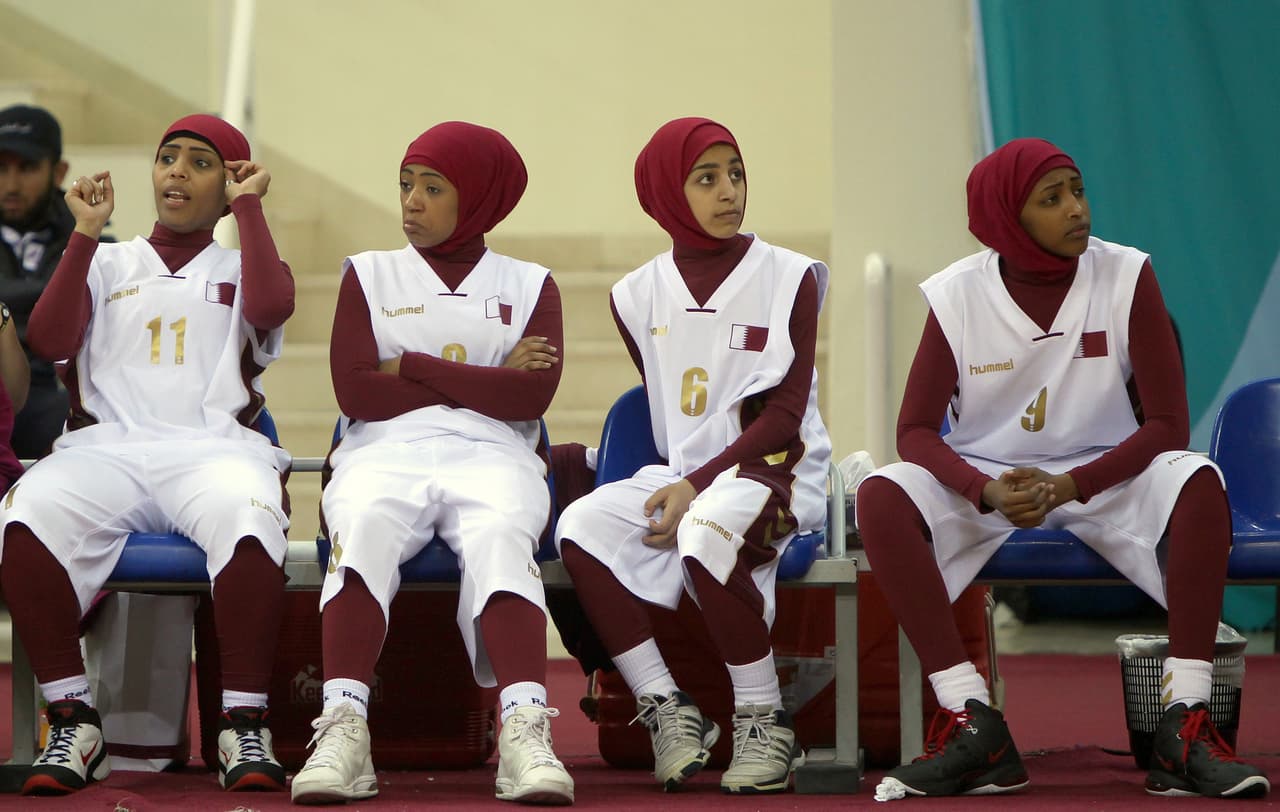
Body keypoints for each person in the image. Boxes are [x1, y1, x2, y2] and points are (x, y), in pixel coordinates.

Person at [858, 137, 1270, 801]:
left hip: (1103, 475)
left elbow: (1167, 423)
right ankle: (973, 721)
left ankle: (1183, 725)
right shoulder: (956, 294)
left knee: (1197, 478)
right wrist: (982, 488)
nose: (1077, 209)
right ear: (1005, 219)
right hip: (993, 479)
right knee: (879, 493)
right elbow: (912, 430)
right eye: (1051, 200)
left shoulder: (1128, 273)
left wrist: (1073, 485)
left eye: (1077, 191)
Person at [0, 114, 295, 796]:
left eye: (200, 163)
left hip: (212, 451)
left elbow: (275, 306)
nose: (177, 173)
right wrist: (81, 232)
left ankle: (242, 722)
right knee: (23, 517)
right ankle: (74, 716)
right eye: (168, 159)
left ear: (230, 185)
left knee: (252, 519)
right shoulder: (106, 259)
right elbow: (47, 339)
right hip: (109, 450)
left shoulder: (244, 264)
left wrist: (249, 208)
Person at [290, 121, 573, 806]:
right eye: (406, 186)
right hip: (382, 450)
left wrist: (409, 365)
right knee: (359, 530)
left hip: (497, 453)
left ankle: (524, 731)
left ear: (476, 197)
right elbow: (355, 389)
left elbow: (532, 394)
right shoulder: (369, 273)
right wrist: (488, 375)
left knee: (504, 538)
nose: (411, 201)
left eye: (432, 187)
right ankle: (344, 727)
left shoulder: (532, 284)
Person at [555, 116, 831, 794]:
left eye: (735, 173)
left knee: (707, 534)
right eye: (706, 178)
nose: (728, 191)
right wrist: (686, 484)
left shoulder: (792, 277)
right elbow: (670, 413)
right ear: (666, 193)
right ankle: (667, 709)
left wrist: (695, 488)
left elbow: (786, 417)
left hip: (776, 472)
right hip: (688, 477)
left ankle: (766, 722)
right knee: (579, 528)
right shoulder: (634, 295)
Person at [0, 104, 77, 458]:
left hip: (59, 393)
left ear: (58, 171)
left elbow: (81, 321)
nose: (11, 185)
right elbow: (64, 310)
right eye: (0, 168)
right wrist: (48, 299)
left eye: (27, 168)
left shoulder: (90, 236)